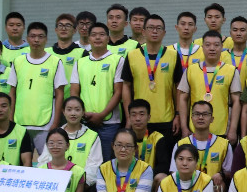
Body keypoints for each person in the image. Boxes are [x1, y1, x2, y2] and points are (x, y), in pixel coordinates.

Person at [121, 14, 184, 138]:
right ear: (143, 32)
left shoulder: (173, 55)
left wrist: (178, 115)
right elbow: (126, 86)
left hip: (166, 119)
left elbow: (179, 87)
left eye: (158, 28)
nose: (154, 31)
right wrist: (129, 117)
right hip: (140, 120)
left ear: (164, 33)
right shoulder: (132, 55)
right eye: (150, 28)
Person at [8, 21, 67, 149]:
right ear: (27, 38)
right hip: (20, 122)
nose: (36, 40)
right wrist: (11, 119)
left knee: (46, 159)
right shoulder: (18, 61)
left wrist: (56, 122)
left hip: (45, 124)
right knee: (22, 160)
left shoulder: (55, 62)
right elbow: (12, 93)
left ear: (46, 39)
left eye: (40, 36)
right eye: (33, 36)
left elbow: (60, 94)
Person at [70, 22, 123, 161]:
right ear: (88, 39)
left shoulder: (118, 60)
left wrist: (102, 115)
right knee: (84, 160)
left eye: (102, 34)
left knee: (106, 162)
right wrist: (82, 114)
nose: (98, 38)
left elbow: (119, 92)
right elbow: (74, 92)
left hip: (109, 123)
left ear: (108, 38)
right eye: (93, 35)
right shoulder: (80, 62)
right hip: (84, 122)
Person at [178, 30, 242, 143]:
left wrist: (232, 129)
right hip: (194, 130)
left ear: (222, 47)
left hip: (222, 130)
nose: (212, 48)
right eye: (208, 45)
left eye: (216, 45)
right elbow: (183, 99)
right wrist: (184, 127)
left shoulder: (231, 71)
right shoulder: (191, 70)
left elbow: (236, 102)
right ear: (202, 47)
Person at [38, 97, 103, 191]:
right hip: (53, 185)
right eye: (69, 109)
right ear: (63, 112)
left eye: (77, 110)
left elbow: (94, 166)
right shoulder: (55, 135)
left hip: (81, 187)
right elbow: (44, 161)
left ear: (83, 112)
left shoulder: (93, 136)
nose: (73, 113)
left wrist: (80, 184)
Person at [176, 101, 232, 192]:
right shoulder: (181, 144)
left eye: (205, 114)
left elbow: (229, 172)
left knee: (220, 185)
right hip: (187, 186)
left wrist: (221, 175)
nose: (201, 117)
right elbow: (174, 171)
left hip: (211, 185)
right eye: (197, 114)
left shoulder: (224, 144)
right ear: (191, 118)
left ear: (212, 119)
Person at [0, 92, 33, 166]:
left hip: (14, 173)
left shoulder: (22, 132)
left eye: (4, 106)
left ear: (10, 108)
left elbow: (27, 163)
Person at [128, 99, 172, 184]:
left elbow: (163, 165)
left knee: (162, 177)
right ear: (129, 117)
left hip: (150, 179)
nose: (138, 119)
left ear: (149, 117)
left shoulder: (157, 138)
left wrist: (145, 176)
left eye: (142, 114)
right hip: (128, 179)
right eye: (134, 115)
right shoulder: (123, 138)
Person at [220, 16, 247, 85]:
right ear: (230, 33)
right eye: (235, 30)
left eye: (242, 30)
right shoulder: (221, 56)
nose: (238, 33)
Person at [50, 13, 86, 85]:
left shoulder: (82, 54)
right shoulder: (46, 53)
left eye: (68, 25)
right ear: (56, 30)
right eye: (60, 25)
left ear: (74, 30)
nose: (63, 29)